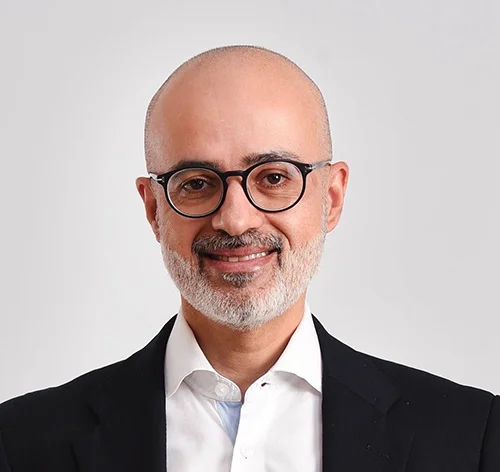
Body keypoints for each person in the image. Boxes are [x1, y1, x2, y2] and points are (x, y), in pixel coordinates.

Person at [0, 45, 498, 472]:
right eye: (197, 183)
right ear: (153, 209)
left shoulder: (471, 438)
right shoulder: (20, 444)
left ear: (331, 198)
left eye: (274, 177)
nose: (235, 221)